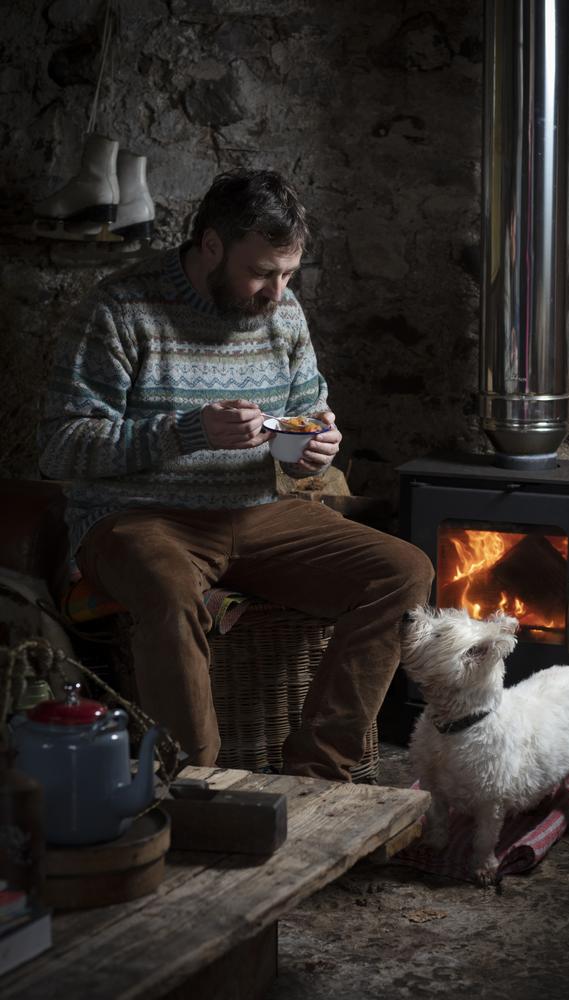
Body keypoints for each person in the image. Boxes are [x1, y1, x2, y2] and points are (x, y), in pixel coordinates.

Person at [39, 169, 434, 782]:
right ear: (212, 245)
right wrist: (184, 432)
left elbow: (308, 412)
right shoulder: (119, 309)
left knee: (404, 571)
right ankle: (197, 786)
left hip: (259, 511)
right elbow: (61, 447)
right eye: (262, 272)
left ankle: (318, 773)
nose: (276, 293)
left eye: (287, 275)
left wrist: (312, 450)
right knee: (170, 589)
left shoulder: (284, 314)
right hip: (139, 521)